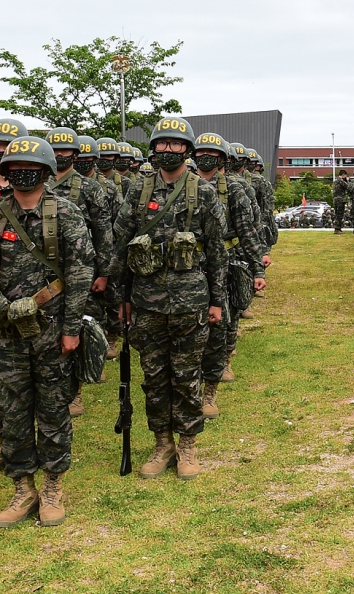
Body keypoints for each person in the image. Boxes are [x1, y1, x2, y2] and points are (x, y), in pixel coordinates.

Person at [0, 135, 94, 527]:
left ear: (45, 172)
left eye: (32, 168)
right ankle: (23, 488)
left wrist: (72, 328)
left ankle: (53, 486)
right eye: (15, 168)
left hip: (52, 331)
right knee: (11, 412)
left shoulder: (67, 213)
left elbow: (80, 273)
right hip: (4, 333)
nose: (23, 174)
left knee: (54, 408)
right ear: (5, 173)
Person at [113, 117, 228, 480]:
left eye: (175, 144)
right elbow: (121, 244)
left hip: (190, 301)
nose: (167, 150)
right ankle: (162, 442)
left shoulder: (204, 193)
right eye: (161, 144)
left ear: (187, 150)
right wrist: (122, 295)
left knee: (186, 375)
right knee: (154, 375)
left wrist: (216, 300)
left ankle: (188, 444)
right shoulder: (138, 189)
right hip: (146, 300)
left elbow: (216, 251)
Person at [191, 134, 267, 417]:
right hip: (193, 266)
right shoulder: (184, 187)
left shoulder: (235, 189)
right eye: (201, 152)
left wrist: (257, 267)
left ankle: (217, 373)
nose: (206, 158)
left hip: (228, 259)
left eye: (212, 153)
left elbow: (248, 231)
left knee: (226, 318)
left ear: (222, 159)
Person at [43, 127, 117, 418]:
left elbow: (103, 233)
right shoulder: (40, 183)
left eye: (65, 151)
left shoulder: (89, 189)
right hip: (43, 275)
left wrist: (104, 273)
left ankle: (75, 394)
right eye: (55, 150)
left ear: (75, 154)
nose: (60, 156)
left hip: (81, 271)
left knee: (77, 330)